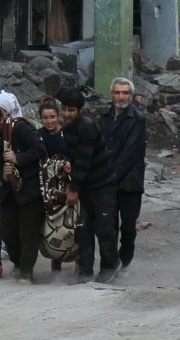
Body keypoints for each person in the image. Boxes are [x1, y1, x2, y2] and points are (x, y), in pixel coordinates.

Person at [0, 100, 46, 284]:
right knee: (7, 230)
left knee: (28, 232)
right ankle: (17, 262)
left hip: (30, 189)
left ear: (1, 119)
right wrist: (4, 175)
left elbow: (39, 148)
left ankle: (26, 272)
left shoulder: (19, 128)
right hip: (8, 191)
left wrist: (18, 158)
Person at [57, 88, 119, 284]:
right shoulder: (66, 130)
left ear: (80, 110)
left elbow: (84, 161)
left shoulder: (87, 127)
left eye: (71, 110)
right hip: (84, 186)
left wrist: (73, 188)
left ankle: (110, 266)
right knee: (82, 230)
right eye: (65, 109)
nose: (67, 114)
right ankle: (85, 271)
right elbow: (73, 159)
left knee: (104, 228)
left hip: (102, 186)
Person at [100, 77, 146, 272]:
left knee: (127, 227)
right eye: (118, 92)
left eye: (125, 93)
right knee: (108, 227)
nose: (121, 96)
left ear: (131, 96)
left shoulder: (137, 119)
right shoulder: (104, 118)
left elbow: (130, 153)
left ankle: (124, 260)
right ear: (112, 94)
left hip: (129, 183)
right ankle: (110, 265)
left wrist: (110, 176)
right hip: (107, 182)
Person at [37, 97, 73, 276]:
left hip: (68, 183)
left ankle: (80, 259)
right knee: (53, 220)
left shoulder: (68, 134)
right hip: (48, 186)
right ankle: (56, 258)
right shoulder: (39, 136)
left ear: (58, 116)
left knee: (73, 220)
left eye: (52, 117)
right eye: (45, 118)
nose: (49, 121)